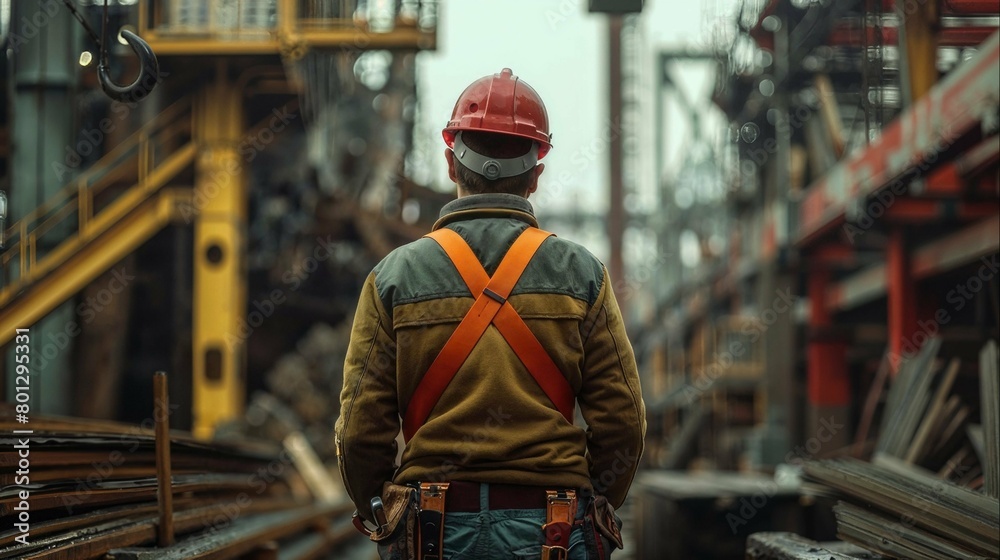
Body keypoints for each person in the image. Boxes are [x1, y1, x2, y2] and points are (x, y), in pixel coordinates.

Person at [336, 68, 646, 560]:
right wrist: (599, 503)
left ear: (450, 164)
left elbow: (359, 427)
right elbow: (624, 421)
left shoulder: (393, 276)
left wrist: (378, 507)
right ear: (537, 173)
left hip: (431, 529)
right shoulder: (583, 274)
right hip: (555, 530)